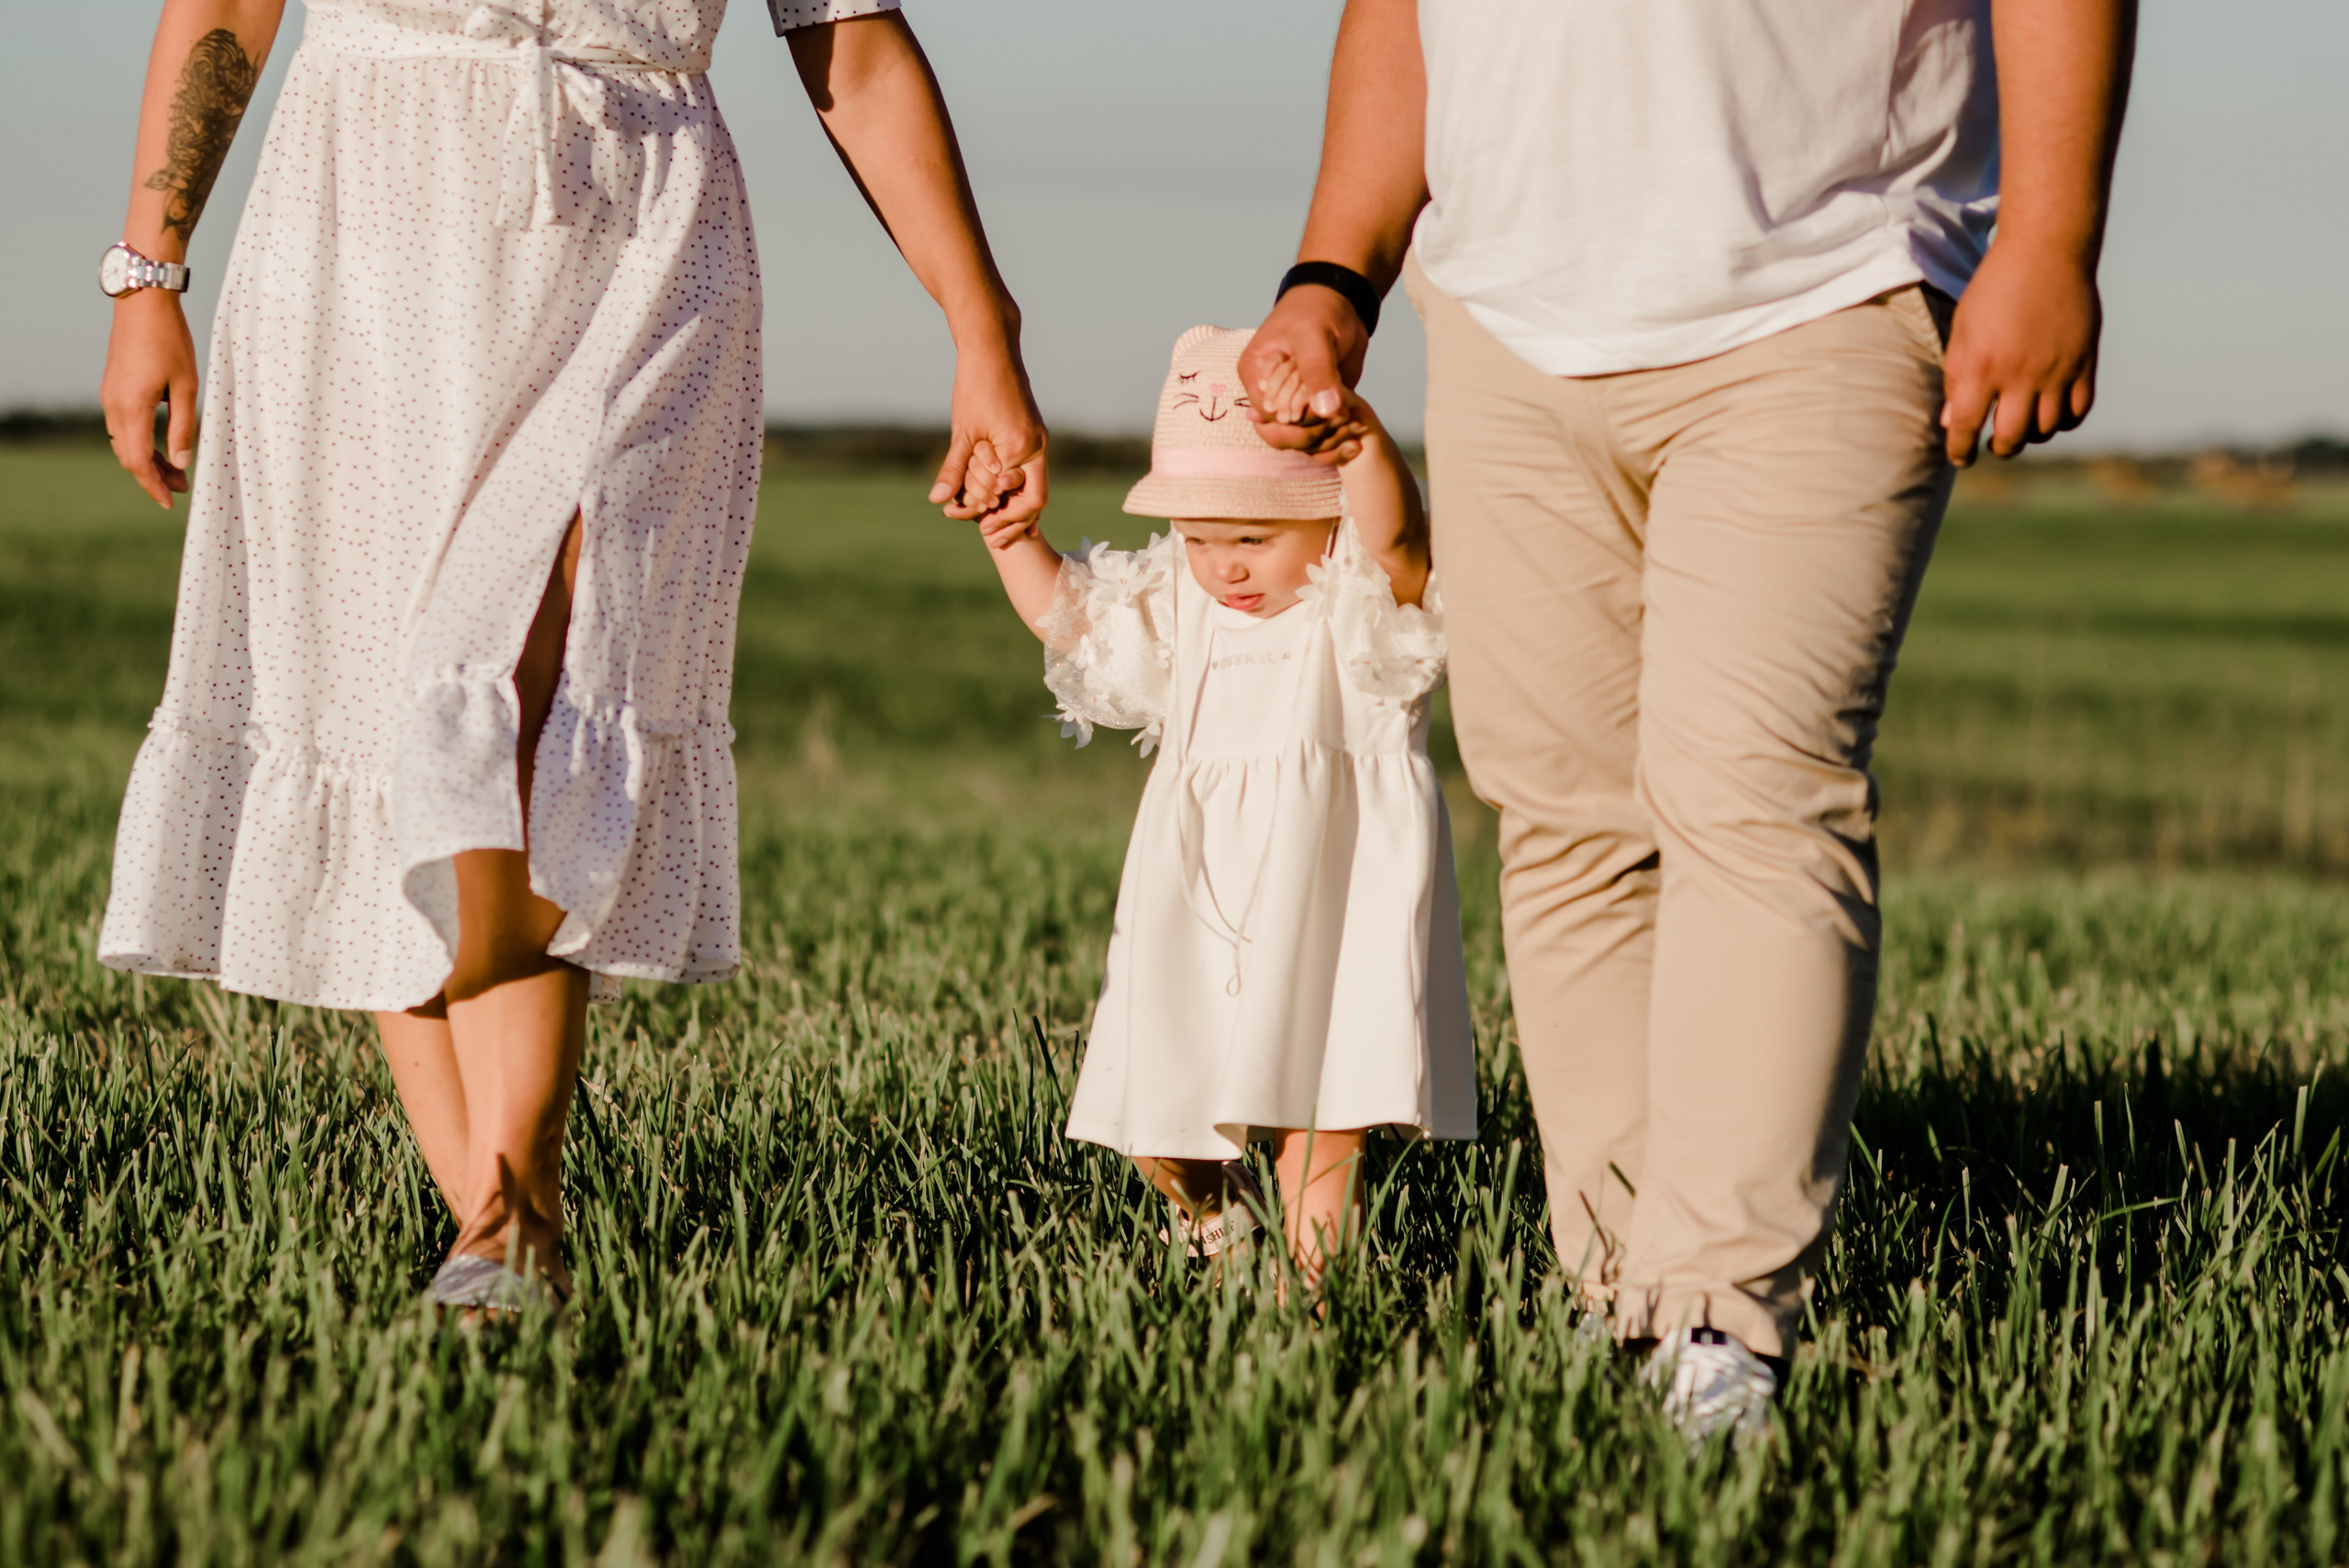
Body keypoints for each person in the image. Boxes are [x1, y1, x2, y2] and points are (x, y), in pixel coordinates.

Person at [1240, 0, 2135, 1437]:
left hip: (1824, 283)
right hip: (1503, 308)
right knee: (1564, 817)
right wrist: (1334, 273)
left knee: (1755, 790)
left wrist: (2050, 236)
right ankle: (1619, 1298)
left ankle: (1721, 1316)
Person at [95, 0, 1045, 1315]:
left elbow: (856, 46)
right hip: (364, 216)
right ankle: (499, 1237)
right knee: (401, 716)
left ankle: (513, 1212)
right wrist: (150, 273)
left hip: (645, 225)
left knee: (527, 687)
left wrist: (980, 326)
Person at [974, 326, 1475, 1292]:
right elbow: (1077, 626)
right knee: (1156, 1117)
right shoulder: (1187, 604)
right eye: (1202, 539)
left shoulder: (1360, 600)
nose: (1226, 566)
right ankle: (1212, 1218)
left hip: (1333, 897)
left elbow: (1402, 543)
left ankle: (1313, 1308)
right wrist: (1011, 540)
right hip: (1197, 896)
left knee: (1318, 1123)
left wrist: (1358, 446)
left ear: (1327, 522)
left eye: (1254, 537)